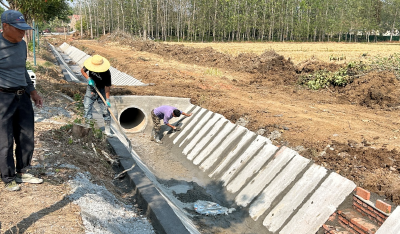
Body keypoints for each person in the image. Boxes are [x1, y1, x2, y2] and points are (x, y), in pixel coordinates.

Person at [0, 10, 44, 192]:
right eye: (18, 30)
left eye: (24, 30)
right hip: (3, 97)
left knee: (26, 136)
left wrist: (32, 92)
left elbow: (23, 69)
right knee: (5, 139)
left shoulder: (22, 45)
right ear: (5, 26)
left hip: (22, 96)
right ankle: (7, 176)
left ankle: (22, 171)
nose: (22, 33)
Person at [80, 54, 113, 137]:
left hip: (102, 90)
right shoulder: (90, 66)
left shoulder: (106, 73)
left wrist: (107, 100)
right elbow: (82, 71)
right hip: (91, 88)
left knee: (105, 110)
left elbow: (107, 87)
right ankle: (88, 127)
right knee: (87, 107)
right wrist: (88, 78)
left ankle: (107, 130)